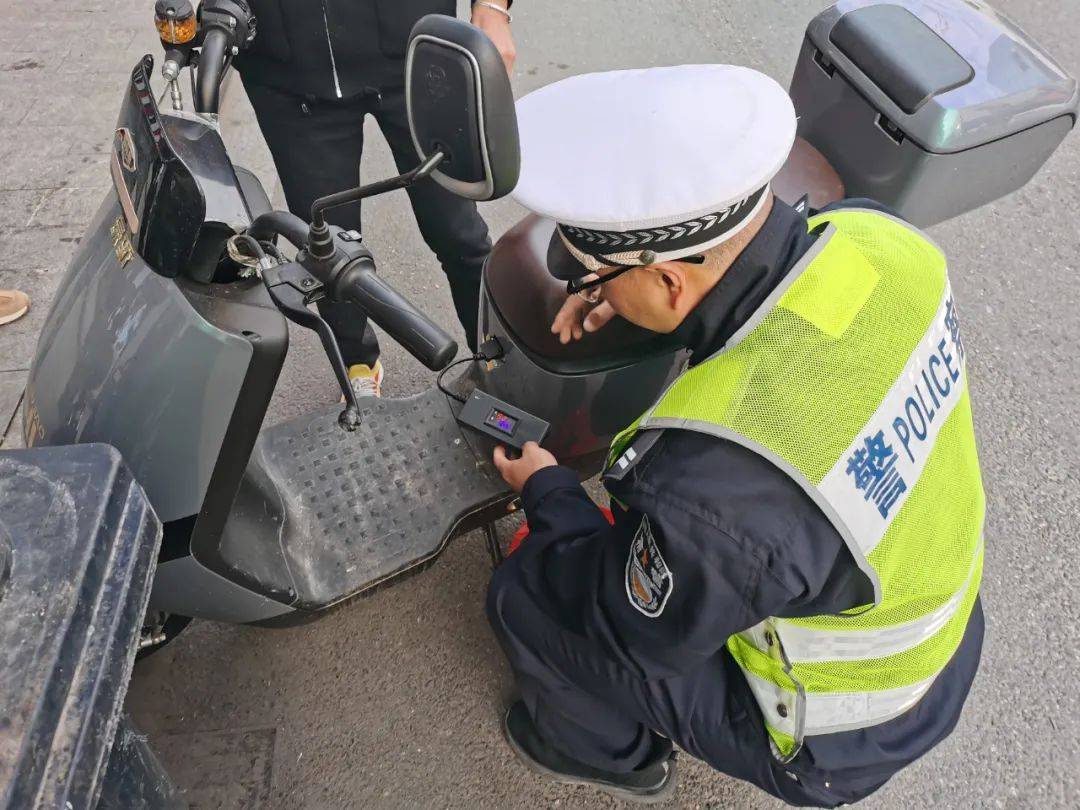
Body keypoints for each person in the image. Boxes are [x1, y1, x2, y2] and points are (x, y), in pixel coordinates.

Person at [486, 65, 985, 806]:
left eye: (597, 276)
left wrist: (550, 490)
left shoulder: (710, 492)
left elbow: (630, 623)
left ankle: (616, 757)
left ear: (670, 283)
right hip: (938, 616)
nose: (592, 290)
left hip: (847, 728)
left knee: (527, 594)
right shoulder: (882, 242)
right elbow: (781, 316)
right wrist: (638, 298)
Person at [235, 0, 517, 396]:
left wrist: (491, 7)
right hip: (288, 70)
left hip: (413, 50)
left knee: (458, 233)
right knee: (326, 249)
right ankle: (358, 364)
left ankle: (498, 361)